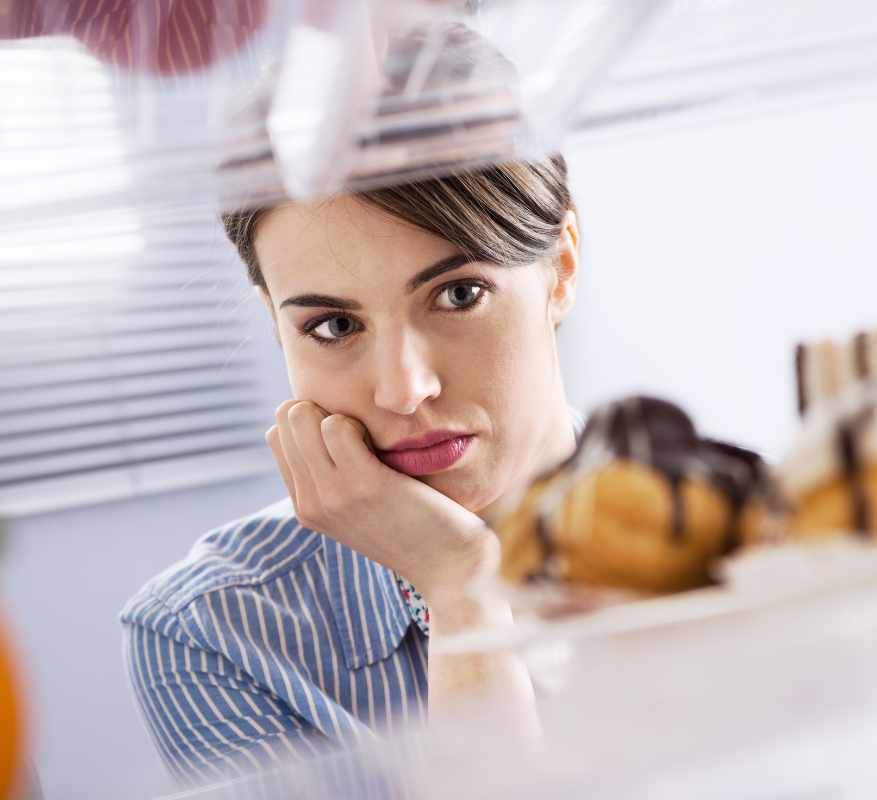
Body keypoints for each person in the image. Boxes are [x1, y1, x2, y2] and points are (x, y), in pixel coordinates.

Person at [120, 152, 583, 787]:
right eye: (334, 325)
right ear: (276, 323)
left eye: (458, 294)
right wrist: (459, 589)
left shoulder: (744, 527)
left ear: (560, 267)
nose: (404, 389)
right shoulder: (212, 633)